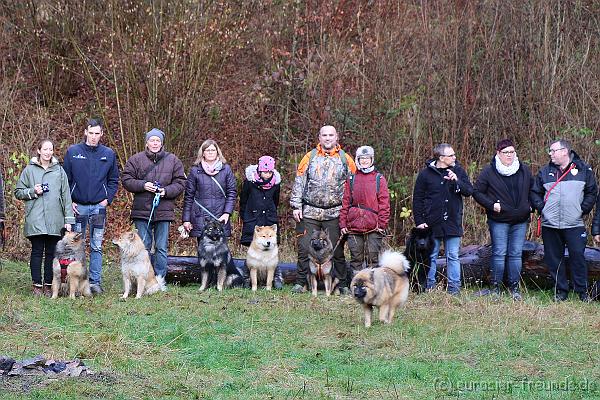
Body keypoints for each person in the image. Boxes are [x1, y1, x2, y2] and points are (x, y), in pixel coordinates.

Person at [290, 125, 356, 294]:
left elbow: (353, 186)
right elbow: (299, 181)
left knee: (337, 250)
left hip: (335, 212)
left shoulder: (345, 159)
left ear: (337, 137)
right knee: (305, 248)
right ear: (319, 138)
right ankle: (301, 282)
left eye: (331, 135)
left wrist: (350, 211)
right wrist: (296, 205)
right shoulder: (309, 157)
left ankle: (341, 284)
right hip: (310, 211)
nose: (327, 138)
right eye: (324, 135)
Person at [531, 139, 597, 302]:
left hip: (574, 224)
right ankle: (560, 291)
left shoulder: (583, 169)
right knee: (554, 260)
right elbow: (534, 193)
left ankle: (582, 292)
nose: (550, 154)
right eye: (550, 151)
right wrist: (542, 208)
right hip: (550, 224)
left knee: (578, 257)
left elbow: (592, 192)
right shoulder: (545, 172)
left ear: (565, 151)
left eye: (553, 151)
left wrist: (582, 209)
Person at [63, 118, 120, 295]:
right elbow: (65, 180)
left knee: (96, 245)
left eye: (97, 133)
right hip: (78, 208)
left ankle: (95, 283)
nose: (94, 137)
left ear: (101, 134)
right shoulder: (73, 152)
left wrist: (107, 199)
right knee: (76, 246)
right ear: (85, 132)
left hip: (98, 208)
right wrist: (69, 201)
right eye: (91, 133)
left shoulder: (108, 154)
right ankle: (78, 283)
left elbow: (113, 180)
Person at [121, 128, 186, 278]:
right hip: (141, 210)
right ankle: (144, 277)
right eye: (152, 140)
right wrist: (143, 185)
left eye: (158, 140)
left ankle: (160, 279)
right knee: (143, 246)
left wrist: (166, 191)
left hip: (164, 211)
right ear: (147, 142)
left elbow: (181, 182)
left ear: (162, 143)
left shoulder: (173, 160)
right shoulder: (136, 159)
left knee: (162, 247)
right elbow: (126, 180)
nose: (155, 143)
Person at [473, 139, 532, 300]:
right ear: (498, 153)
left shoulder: (524, 170)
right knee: (499, 253)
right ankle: (496, 288)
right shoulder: (489, 171)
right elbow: (477, 192)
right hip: (499, 220)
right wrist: (491, 205)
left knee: (515, 254)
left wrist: (530, 206)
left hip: (520, 220)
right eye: (506, 152)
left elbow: (533, 189)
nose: (509, 155)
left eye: (512, 152)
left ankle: (514, 289)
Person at [14, 139, 75, 296]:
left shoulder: (59, 171)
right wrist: (33, 191)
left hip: (55, 219)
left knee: (51, 253)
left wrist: (69, 220)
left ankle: (48, 285)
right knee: (36, 252)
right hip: (36, 218)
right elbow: (18, 191)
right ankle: (36, 286)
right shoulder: (29, 170)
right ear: (39, 151)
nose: (48, 152)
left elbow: (66, 196)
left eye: (51, 150)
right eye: (45, 149)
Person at [413, 143, 473, 295]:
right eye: (451, 155)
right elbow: (417, 199)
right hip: (431, 222)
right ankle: (430, 288)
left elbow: (469, 191)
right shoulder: (425, 174)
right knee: (431, 255)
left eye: (454, 154)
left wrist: (457, 181)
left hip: (453, 221)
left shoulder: (458, 170)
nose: (455, 157)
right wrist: (419, 221)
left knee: (452, 255)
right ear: (441, 158)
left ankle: (454, 289)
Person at [339, 145, 390, 272]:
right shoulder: (351, 179)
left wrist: (382, 224)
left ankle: (373, 286)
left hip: (374, 226)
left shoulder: (379, 179)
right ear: (358, 159)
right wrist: (343, 223)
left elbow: (384, 203)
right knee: (356, 258)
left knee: (373, 257)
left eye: (368, 158)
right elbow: (345, 202)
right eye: (362, 158)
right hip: (354, 226)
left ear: (372, 159)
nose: (365, 161)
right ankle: (356, 287)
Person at [239, 155, 283, 288]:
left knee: (272, 249)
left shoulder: (275, 184)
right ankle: (248, 278)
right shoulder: (249, 182)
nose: (267, 174)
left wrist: (271, 214)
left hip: (269, 219)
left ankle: (275, 278)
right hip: (252, 218)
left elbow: (275, 201)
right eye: (264, 172)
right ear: (259, 171)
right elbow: (243, 200)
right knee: (252, 251)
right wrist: (245, 216)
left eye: (269, 172)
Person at [182, 139, 237, 240]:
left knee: (221, 253)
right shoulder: (195, 171)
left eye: (213, 150)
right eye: (207, 150)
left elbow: (232, 193)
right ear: (203, 153)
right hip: (201, 217)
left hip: (221, 217)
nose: (210, 152)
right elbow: (189, 196)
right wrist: (186, 219)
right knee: (203, 252)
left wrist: (227, 213)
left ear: (217, 152)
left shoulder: (226, 169)